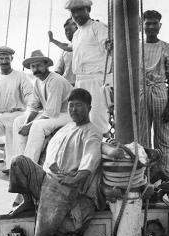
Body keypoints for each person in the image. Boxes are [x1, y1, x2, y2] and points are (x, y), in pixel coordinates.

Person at [10, 88, 102, 236]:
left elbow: (91, 159)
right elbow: (50, 155)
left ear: (89, 107)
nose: (74, 109)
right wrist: (50, 168)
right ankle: (27, 201)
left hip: (64, 189)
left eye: (79, 105)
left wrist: (74, 178)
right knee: (18, 162)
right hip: (48, 178)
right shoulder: (66, 127)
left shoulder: (92, 131)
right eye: (71, 105)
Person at [0, 46, 33, 174]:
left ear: (11, 59)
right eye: (1, 58)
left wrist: (30, 116)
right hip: (0, 115)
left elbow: (30, 97)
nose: (4, 61)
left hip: (17, 114)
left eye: (6, 58)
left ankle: (11, 166)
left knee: (12, 129)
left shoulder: (21, 76)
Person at [13, 50, 73, 164]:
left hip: (67, 114)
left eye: (39, 65)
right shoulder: (37, 82)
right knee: (18, 122)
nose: (36, 69)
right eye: (33, 66)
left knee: (37, 126)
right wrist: (26, 123)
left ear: (46, 65)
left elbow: (51, 112)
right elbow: (34, 107)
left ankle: (30, 166)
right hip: (54, 114)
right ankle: (20, 162)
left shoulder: (55, 80)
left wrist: (30, 125)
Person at [139, 10, 169, 172]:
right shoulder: (136, 48)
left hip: (160, 94)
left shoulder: (167, 49)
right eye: (147, 23)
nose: (151, 26)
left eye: (154, 23)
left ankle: (162, 172)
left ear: (160, 26)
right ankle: (145, 173)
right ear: (142, 25)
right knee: (142, 136)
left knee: (163, 137)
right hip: (141, 94)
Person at [65, 0, 112, 135]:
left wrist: (109, 44)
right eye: (73, 12)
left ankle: (102, 144)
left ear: (88, 10)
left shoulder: (98, 27)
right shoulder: (76, 34)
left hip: (96, 79)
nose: (76, 14)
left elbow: (109, 46)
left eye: (80, 10)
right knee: (80, 117)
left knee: (97, 116)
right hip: (81, 80)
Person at [48, 18, 78, 86]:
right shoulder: (64, 51)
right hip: (65, 85)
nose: (67, 32)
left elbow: (68, 47)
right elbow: (59, 69)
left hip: (80, 85)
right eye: (66, 30)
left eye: (70, 29)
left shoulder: (83, 44)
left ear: (78, 29)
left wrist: (52, 40)